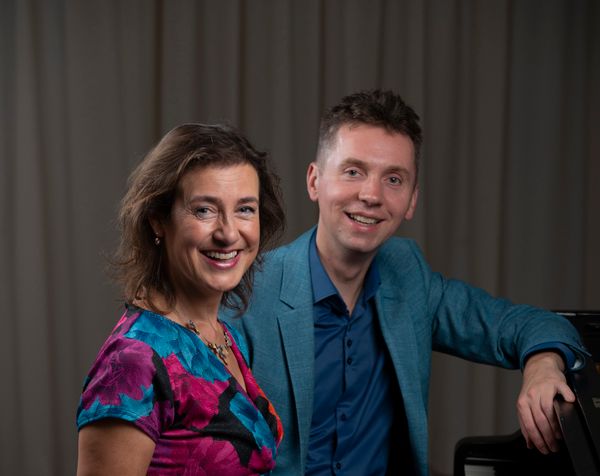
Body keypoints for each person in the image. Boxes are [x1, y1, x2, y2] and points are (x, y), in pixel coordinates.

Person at [226, 90, 588, 476]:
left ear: (412, 200)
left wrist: (544, 365)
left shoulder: (408, 274)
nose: (371, 195)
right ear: (315, 181)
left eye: (394, 179)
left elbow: (530, 324)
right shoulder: (249, 292)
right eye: (353, 171)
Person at [76, 123, 286, 475]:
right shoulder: (133, 361)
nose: (228, 233)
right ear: (158, 220)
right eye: (204, 210)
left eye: (245, 210)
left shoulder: (218, 334)